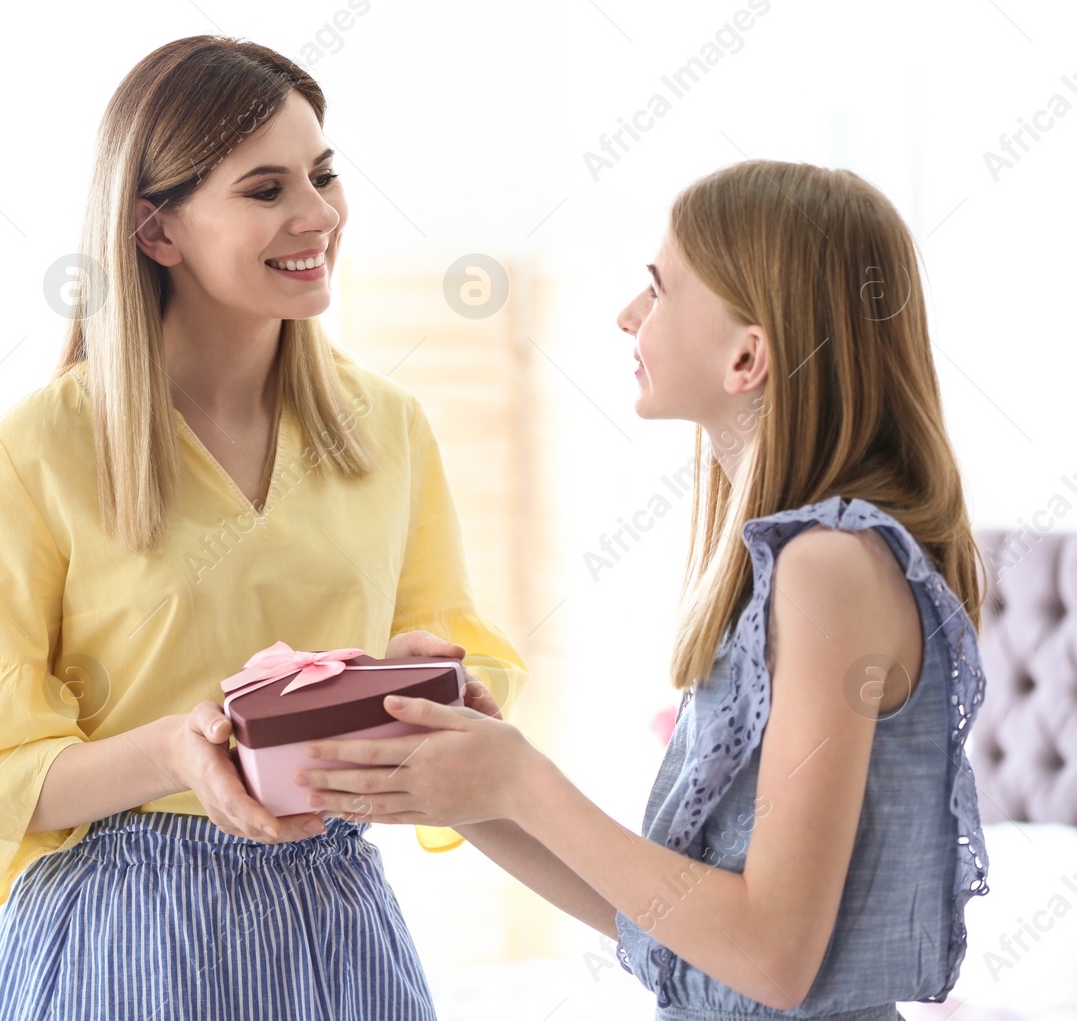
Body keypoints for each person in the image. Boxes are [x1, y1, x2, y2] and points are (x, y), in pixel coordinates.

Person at [0, 35, 529, 1021]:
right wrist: (171, 752)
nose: (319, 215)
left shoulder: (388, 428)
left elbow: (464, 675)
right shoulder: (32, 452)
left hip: (331, 917)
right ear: (157, 233)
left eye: (323, 175)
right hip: (115, 933)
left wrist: (441, 685)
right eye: (265, 189)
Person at [301, 160, 991, 1019]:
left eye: (658, 290)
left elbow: (774, 956)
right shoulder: (795, 567)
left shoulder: (831, 567)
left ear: (747, 355)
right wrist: (472, 778)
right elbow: (663, 928)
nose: (629, 316)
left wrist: (524, 781)